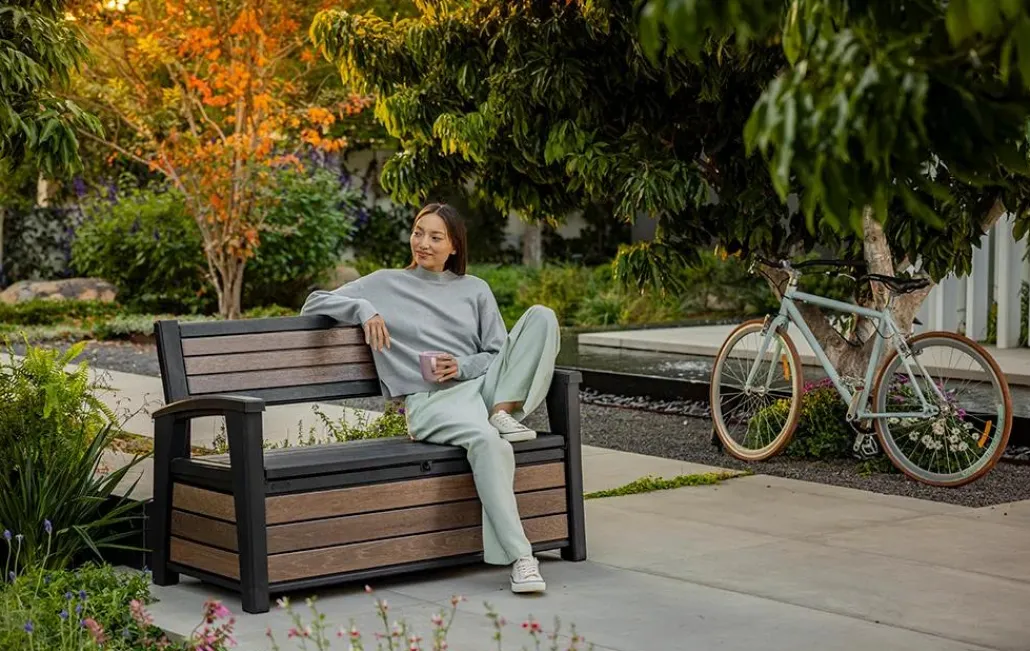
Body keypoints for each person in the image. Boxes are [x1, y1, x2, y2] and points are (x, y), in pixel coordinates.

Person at [299, 203, 560, 594]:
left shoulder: (475, 289)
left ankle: (502, 411)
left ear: (454, 246)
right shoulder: (384, 284)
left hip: (482, 388)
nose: (423, 243)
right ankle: (523, 557)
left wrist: (462, 366)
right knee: (491, 446)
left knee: (542, 315)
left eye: (436, 237)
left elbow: (495, 352)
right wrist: (363, 309)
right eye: (418, 233)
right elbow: (313, 302)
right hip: (433, 400)